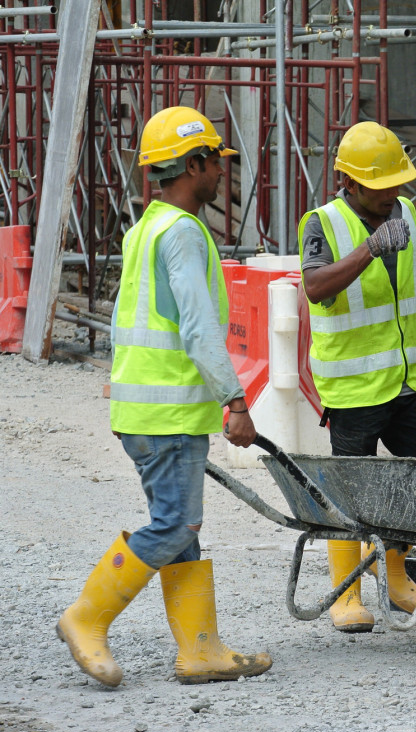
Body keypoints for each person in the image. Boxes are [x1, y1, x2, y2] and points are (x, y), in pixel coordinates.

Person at [57, 106, 272, 687]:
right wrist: (236, 401)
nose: (221, 173)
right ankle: (85, 617)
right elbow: (198, 330)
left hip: (145, 410)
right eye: (215, 163)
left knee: (182, 526)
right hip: (167, 412)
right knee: (175, 523)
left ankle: (200, 649)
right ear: (194, 164)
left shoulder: (146, 227)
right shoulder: (181, 234)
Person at [297, 121, 416, 632]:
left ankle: (397, 579)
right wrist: (369, 249)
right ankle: (346, 595)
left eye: (397, 182)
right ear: (348, 182)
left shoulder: (406, 211)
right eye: (380, 186)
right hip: (355, 388)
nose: (392, 193)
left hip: (410, 383)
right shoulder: (322, 223)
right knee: (352, 491)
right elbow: (315, 288)